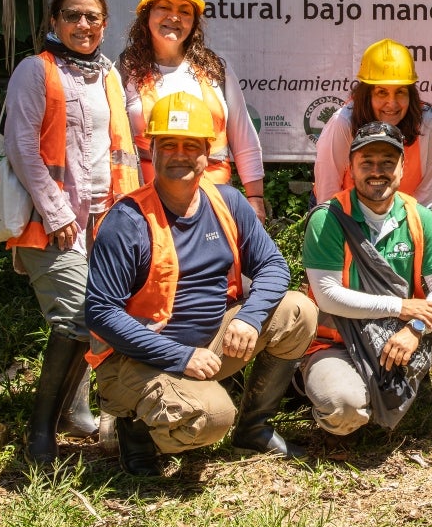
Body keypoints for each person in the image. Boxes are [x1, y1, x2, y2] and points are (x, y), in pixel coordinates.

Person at [85, 92, 317, 475]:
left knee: (299, 311)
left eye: (190, 145)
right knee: (212, 417)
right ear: (152, 149)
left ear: (207, 153)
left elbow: (274, 266)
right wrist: (180, 357)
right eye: (169, 144)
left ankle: (254, 429)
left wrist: (249, 318)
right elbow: (100, 313)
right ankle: (136, 427)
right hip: (137, 359)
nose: (179, 155)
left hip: (209, 346)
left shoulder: (226, 201)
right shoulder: (127, 220)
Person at [4, 0, 140, 465]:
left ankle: (71, 412)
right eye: (72, 15)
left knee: (94, 316)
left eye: (92, 17)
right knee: (77, 317)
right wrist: (58, 212)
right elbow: (22, 148)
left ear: (105, 25)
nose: (83, 25)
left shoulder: (108, 76)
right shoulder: (34, 72)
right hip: (52, 223)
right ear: (54, 22)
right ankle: (40, 430)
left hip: (104, 220)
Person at [301, 122, 432, 451]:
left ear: (403, 166)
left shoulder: (419, 217)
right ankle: (343, 409)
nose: (377, 171)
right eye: (366, 162)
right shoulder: (327, 219)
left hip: (397, 339)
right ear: (350, 167)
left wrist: (415, 327)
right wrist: (399, 307)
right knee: (345, 409)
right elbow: (327, 295)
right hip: (338, 344)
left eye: (387, 161)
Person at [121, 0, 267, 223]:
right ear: (146, 16)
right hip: (148, 208)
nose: (174, 17)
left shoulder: (215, 69)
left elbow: (244, 138)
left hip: (214, 203)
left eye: (185, 11)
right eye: (164, 7)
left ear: (194, 22)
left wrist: (255, 198)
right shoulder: (125, 72)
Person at [314, 38, 432, 208]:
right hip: (342, 214)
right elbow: (328, 190)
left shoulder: (428, 120)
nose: (392, 103)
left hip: (403, 215)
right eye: (382, 92)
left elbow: (427, 192)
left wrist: (403, 226)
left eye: (400, 92)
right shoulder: (343, 122)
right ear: (367, 94)